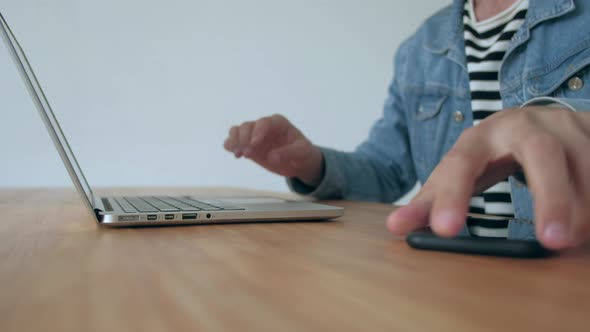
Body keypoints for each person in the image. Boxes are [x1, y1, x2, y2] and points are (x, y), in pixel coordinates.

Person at [224, 0, 590, 251]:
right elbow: (387, 171)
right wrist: (312, 165)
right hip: (452, 270)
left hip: (567, 272)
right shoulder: (420, 47)